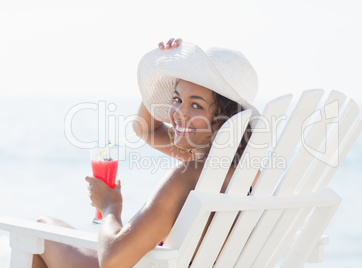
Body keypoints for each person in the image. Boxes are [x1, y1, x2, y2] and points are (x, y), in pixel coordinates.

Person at [32, 38, 259, 268]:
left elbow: (113, 261)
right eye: (177, 99)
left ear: (224, 119)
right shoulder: (247, 173)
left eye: (196, 105)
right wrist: (166, 69)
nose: (179, 113)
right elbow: (146, 128)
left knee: (40, 231)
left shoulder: (189, 174)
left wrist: (110, 206)